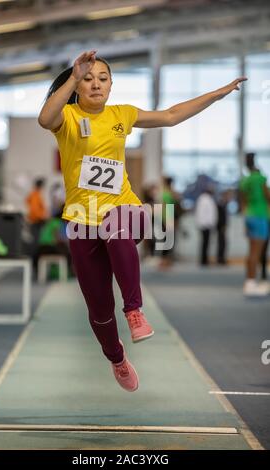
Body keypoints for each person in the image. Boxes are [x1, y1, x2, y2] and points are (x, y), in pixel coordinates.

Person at [38, 49, 246, 392]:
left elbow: (172, 114)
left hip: (126, 210)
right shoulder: (68, 117)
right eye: (88, 79)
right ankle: (116, 357)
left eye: (103, 79)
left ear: (112, 85)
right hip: (81, 222)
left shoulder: (123, 114)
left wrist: (217, 93)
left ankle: (134, 310)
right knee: (100, 310)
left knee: (117, 225)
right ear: (76, 85)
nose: (95, 85)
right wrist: (74, 76)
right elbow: (45, 119)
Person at [240, 152, 270, 296]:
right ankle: (251, 284)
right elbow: (268, 196)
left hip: (249, 215)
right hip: (259, 216)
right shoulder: (260, 178)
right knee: (256, 253)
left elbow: (243, 201)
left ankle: (249, 282)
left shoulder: (245, 180)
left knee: (251, 251)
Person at [195, 187, 218, 266]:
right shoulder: (204, 200)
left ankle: (204, 259)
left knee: (206, 243)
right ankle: (203, 260)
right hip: (205, 225)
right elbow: (202, 213)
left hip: (206, 224)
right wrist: (205, 223)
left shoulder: (207, 199)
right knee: (205, 243)